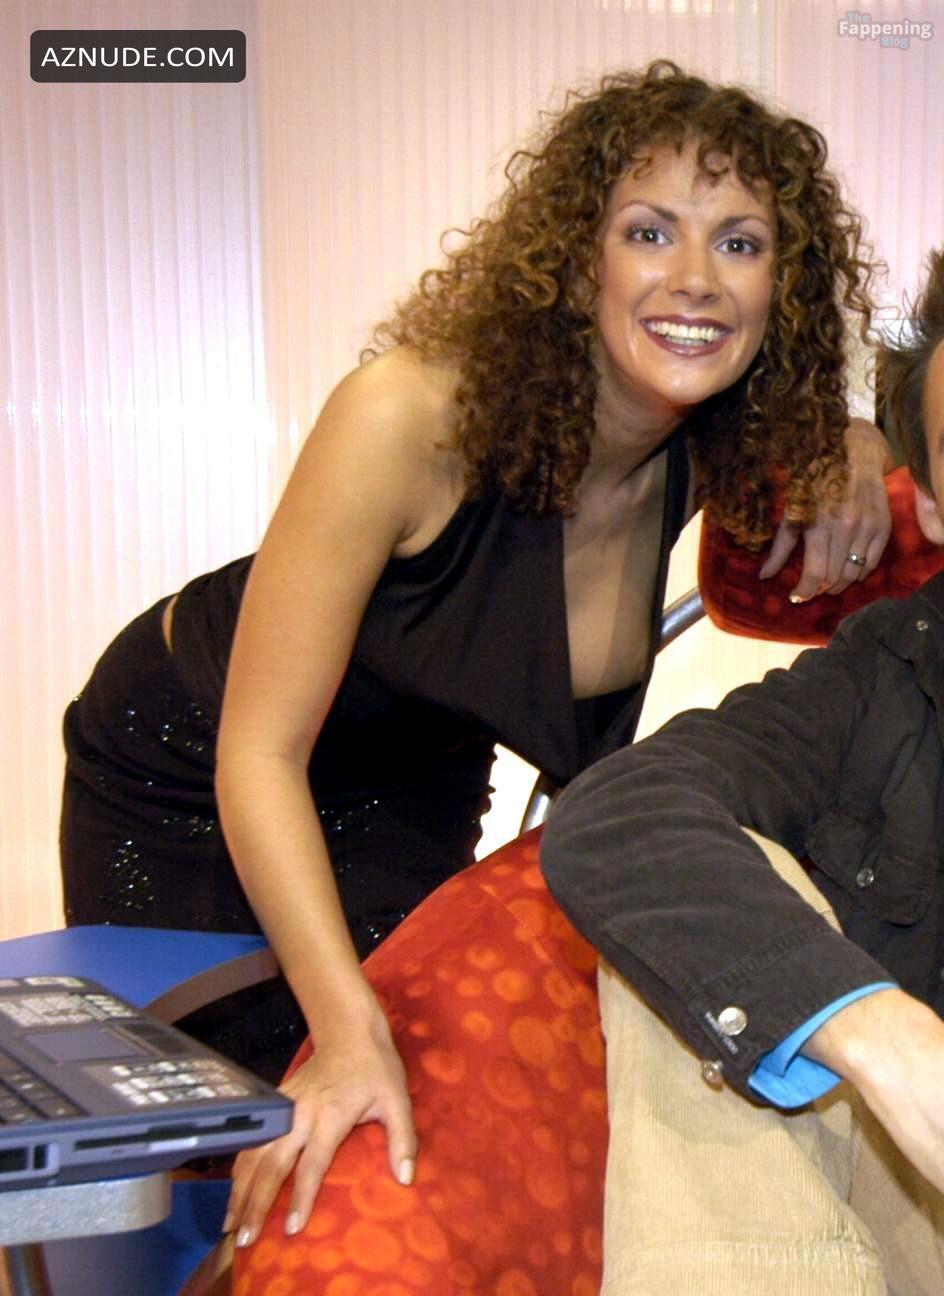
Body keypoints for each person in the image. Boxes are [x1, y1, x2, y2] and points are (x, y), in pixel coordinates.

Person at [61, 60, 889, 1247]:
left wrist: (853, 441)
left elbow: (881, 453)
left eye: (740, 244)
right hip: (194, 768)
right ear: (576, 258)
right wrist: (344, 1029)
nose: (695, 280)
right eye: (648, 231)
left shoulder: (715, 455)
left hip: (412, 785)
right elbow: (259, 752)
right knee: (241, 1122)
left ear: (781, 291)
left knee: (423, 1105)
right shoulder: (405, 416)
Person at [541, 248, 944, 1293]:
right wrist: (877, 1032)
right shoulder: (880, 674)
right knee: (708, 912)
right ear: (937, 509)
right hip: (911, 1209)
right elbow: (621, 815)